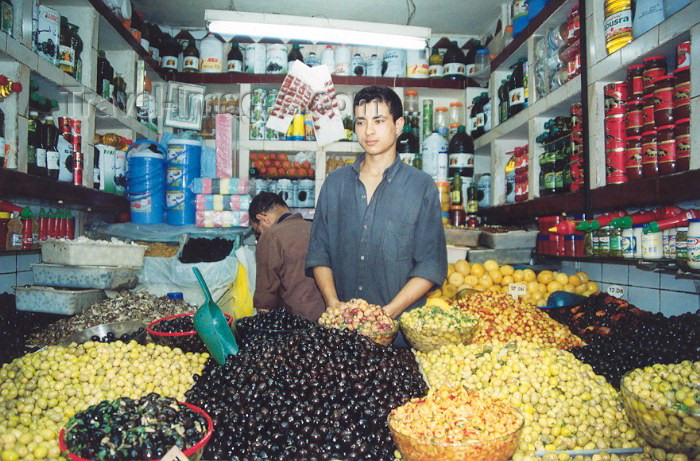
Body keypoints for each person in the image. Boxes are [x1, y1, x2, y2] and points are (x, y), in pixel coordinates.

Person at [305, 85, 447, 344]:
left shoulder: (420, 186)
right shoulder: (335, 184)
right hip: (341, 335)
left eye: (379, 121)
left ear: (399, 124)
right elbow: (319, 252)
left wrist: (386, 314)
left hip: (399, 338)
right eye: (361, 122)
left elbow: (430, 265)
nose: (368, 131)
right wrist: (333, 303)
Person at [249, 192, 325, 322]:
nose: (260, 235)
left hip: (295, 324)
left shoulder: (270, 236)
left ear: (263, 218)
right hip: (328, 319)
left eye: (258, 230)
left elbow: (265, 299)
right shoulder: (316, 229)